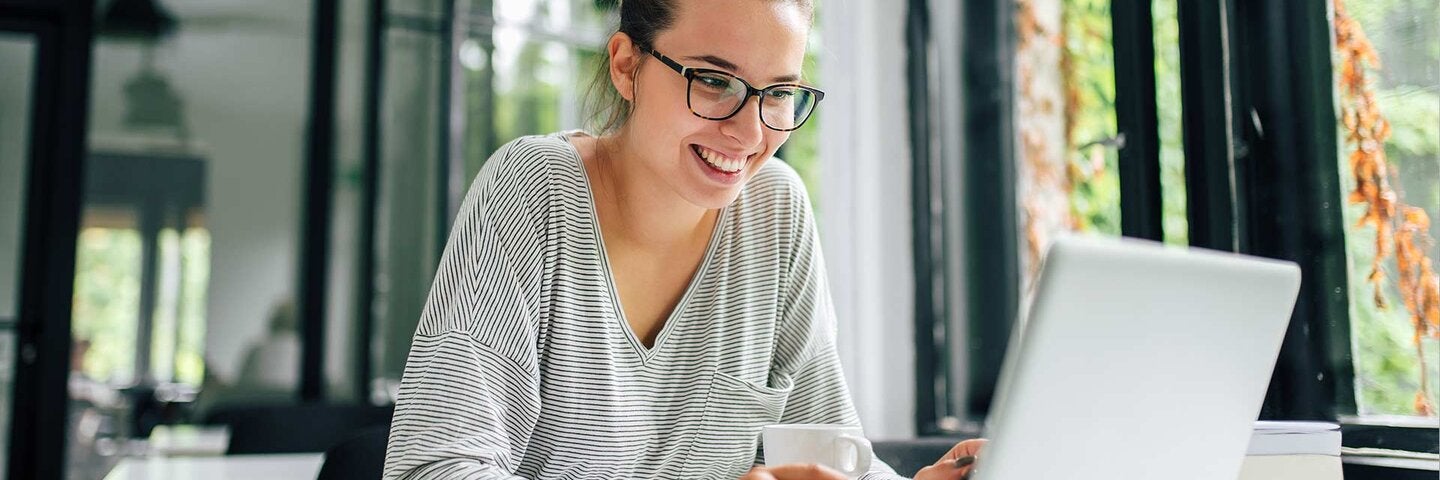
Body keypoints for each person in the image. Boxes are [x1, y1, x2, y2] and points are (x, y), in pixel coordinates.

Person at [382, 1, 984, 479]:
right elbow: (432, 467)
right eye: (715, 81)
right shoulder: (535, 190)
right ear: (627, 66)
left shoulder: (775, 211)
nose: (750, 133)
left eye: (778, 92)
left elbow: (827, 453)